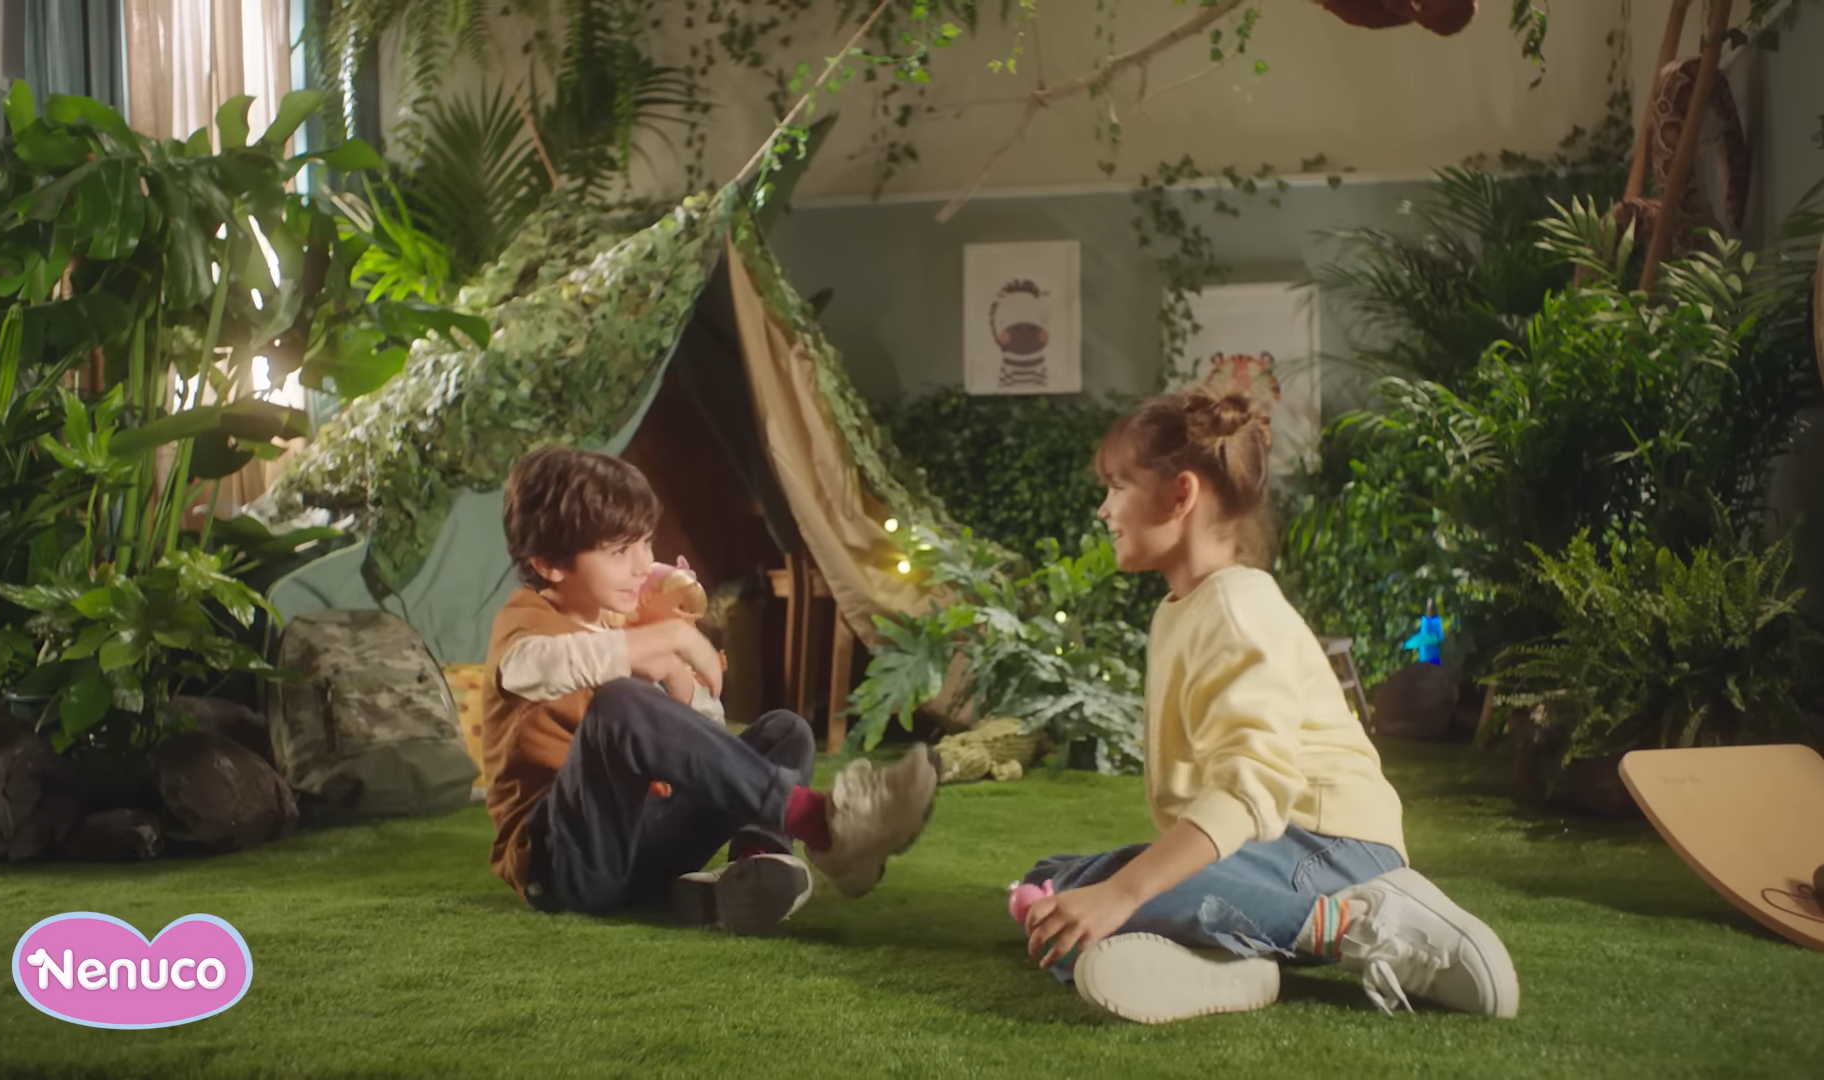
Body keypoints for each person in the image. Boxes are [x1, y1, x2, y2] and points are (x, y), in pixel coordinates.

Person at [1016, 390, 1518, 1024]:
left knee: (1104, 894)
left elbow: (1252, 790)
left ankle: (1360, 925)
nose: (1104, 508)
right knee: (1054, 882)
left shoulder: (1236, 608)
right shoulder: (1184, 609)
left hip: (1329, 845)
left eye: (1118, 487)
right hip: (1271, 848)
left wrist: (1122, 893)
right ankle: (1232, 968)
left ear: (1181, 496)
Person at [482, 446, 938, 935]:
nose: (643, 565)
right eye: (619, 551)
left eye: (646, 542)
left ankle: (755, 869)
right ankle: (821, 823)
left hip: (649, 849)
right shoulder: (527, 620)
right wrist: (667, 640)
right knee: (620, 703)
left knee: (785, 732)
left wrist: (683, 687)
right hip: (566, 867)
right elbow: (531, 668)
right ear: (550, 563)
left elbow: (702, 747)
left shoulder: (626, 623)